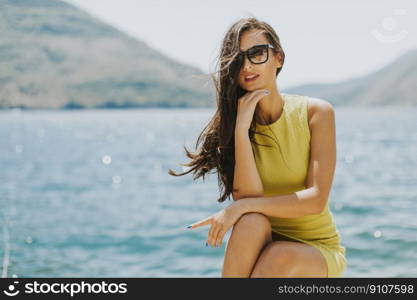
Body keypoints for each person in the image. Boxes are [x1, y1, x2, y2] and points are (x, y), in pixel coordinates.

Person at [168, 17, 347, 278]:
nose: (247, 66)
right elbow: (250, 199)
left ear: (279, 58)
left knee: (276, 250)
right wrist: (241, 131)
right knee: (252, 222)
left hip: (315, 250)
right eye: (238, 59)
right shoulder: (234, 125)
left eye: (257, 53)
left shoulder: (316, 113)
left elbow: (316, 200)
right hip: (260, 242)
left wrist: (237, 209)